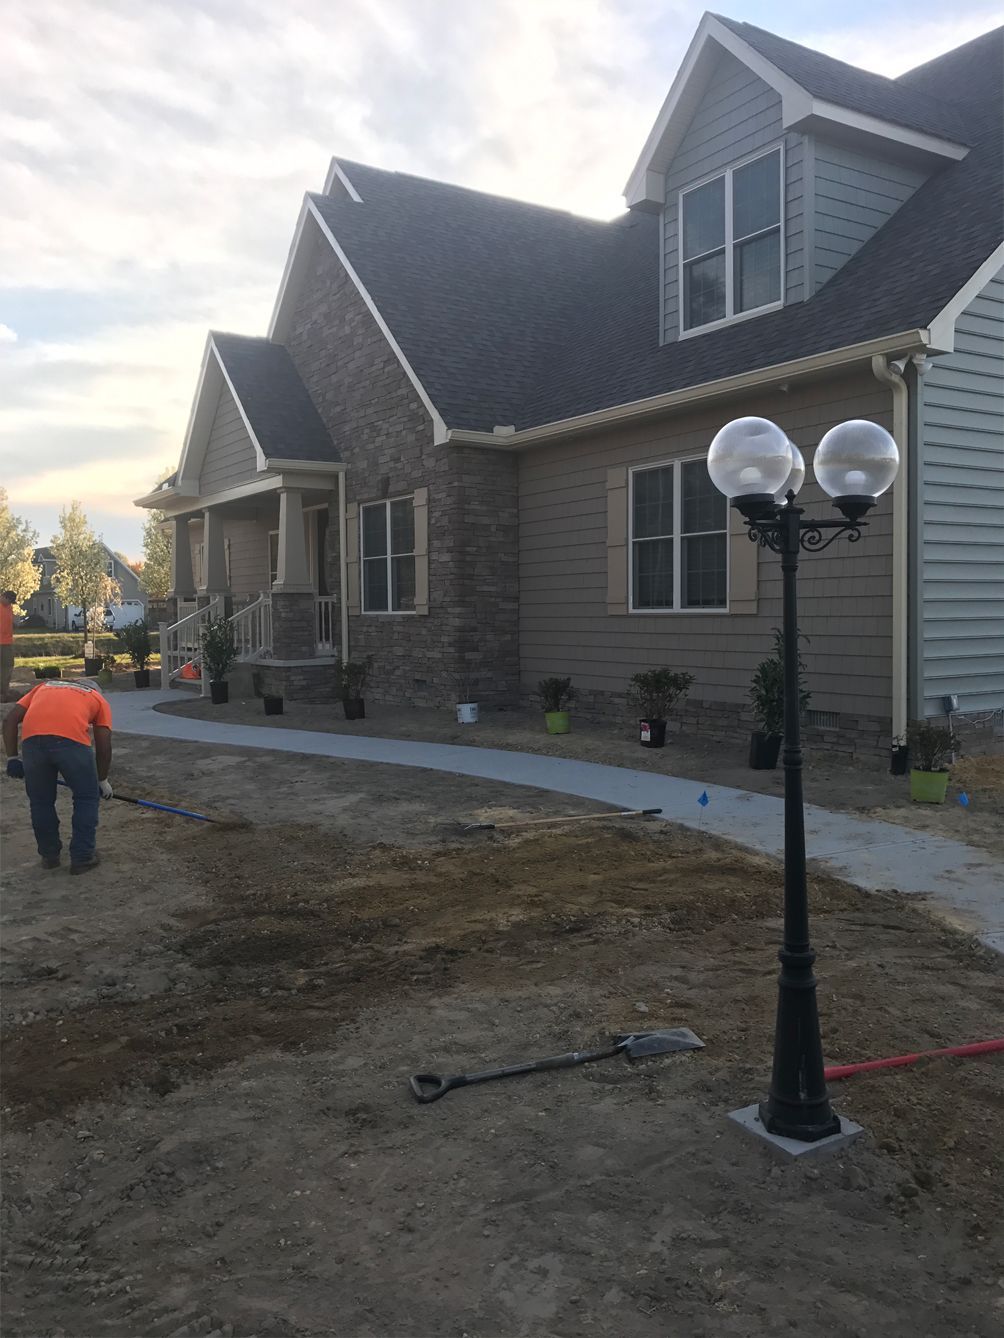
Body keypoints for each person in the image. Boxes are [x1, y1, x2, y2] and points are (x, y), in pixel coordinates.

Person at [3, 678, 114, 873]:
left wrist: (12, 758)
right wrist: (102, 780)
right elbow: (103, 746)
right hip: (72, 743)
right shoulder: (98, 699)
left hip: (32, 743)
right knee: (86, 798)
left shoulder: (43, 687)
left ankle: (49, 856)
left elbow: (9, 720)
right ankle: (82, 857)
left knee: (41, 802)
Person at [0, 590, 15, 702]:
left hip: (8, 642)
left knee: (8, 666)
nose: (9, 603)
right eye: (8, 600)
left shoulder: (10, 607)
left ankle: (4, 692)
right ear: (3, 597)